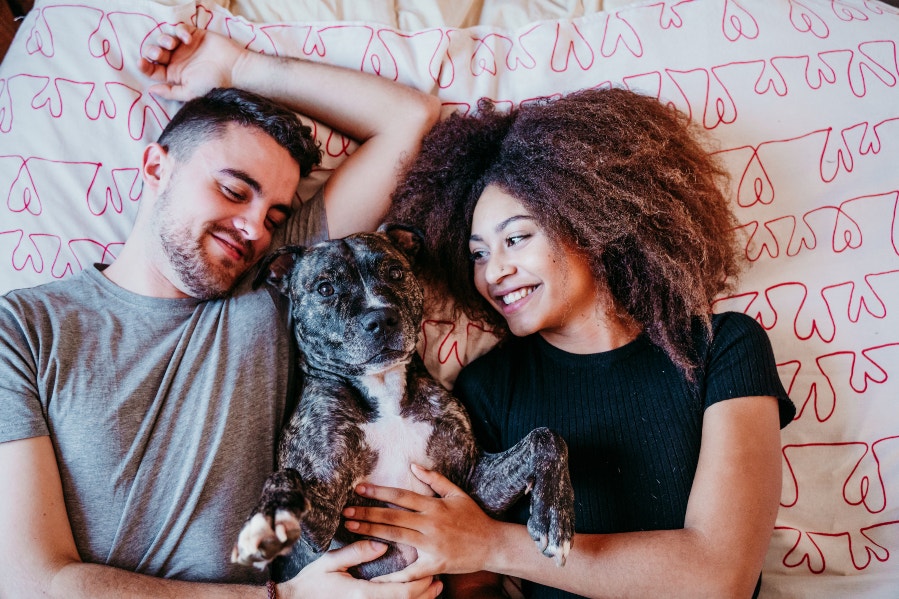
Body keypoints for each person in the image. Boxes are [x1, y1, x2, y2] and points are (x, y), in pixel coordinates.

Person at [0, 24, 442, 599]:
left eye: (276, 215)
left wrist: (237, 67)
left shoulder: (276, 285)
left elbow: (408, 119)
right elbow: (30, 582)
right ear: (157, 168)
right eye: (235, 191)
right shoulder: (25, 328)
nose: (255, 228)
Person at [339, 88, 796, 598]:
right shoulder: (487, 389)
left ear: (588, 221)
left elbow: (718, 577)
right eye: (477, 254)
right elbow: (470, 580)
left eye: (516, 239)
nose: (494, 272)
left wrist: (493, 543)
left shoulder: (724, 347)